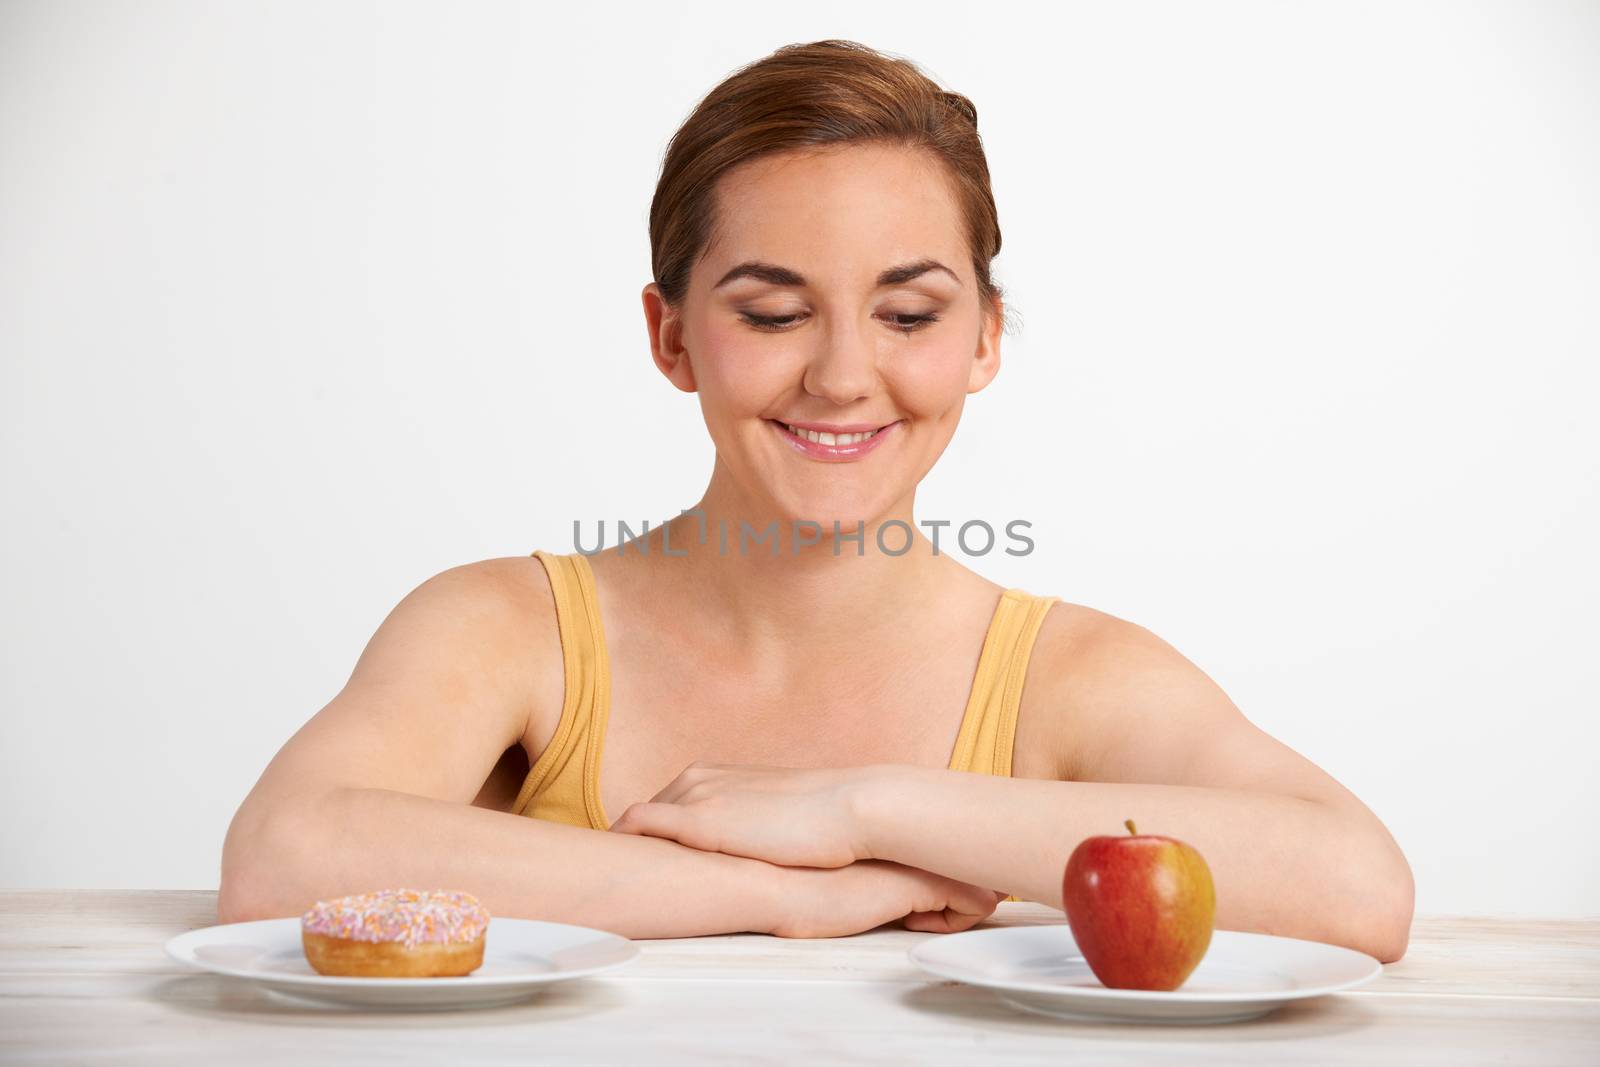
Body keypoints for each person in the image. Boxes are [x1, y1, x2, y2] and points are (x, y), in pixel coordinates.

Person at [220, 39, 1413, 961]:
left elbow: (1354, 885)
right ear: (672, 334)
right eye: (773, 311)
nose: (844, 374)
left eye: (909, 313)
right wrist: (784, 894)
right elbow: (284, 854)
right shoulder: (508, 629)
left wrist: (863, 808)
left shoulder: (1072, 674)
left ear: (985, 339)